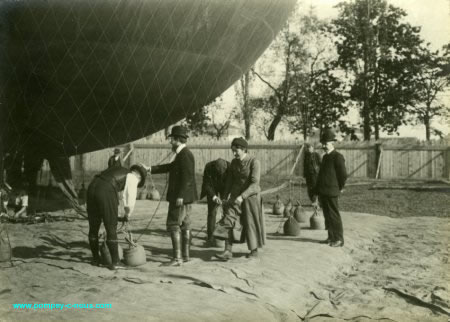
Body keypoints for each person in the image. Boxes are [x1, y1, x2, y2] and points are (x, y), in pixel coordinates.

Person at [146, 125, 198, 266]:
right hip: (187, 197)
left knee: (174, 224)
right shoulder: (182, 154)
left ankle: (176, 259)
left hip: (180, 197)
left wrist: (180, 195)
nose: (170, 142)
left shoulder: (185, 155)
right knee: (185, 224)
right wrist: (150, 169)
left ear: (177, 140)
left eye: (172, 140)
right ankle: (185, 256)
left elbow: (187, 178)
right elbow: (169, 167)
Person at [87, 163, 147, 269]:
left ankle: (95, 259)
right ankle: (116, 262)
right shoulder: (133, 177)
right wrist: (127, 214)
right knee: (111, 227)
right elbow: (129, 199)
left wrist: (117, 214)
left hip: (92, 186)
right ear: (139, 177)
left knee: (93, 226)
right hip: (105, 190)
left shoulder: (119, 170)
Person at [214, 137, 265, 261]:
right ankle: (227, 251)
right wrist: (225, 197)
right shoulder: (234, 163)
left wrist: (242, 196)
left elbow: (255, 184)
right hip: (236, 197)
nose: (234, 153)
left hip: (251, 197)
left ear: (244, 149)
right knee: (228, 219)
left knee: (250, 222)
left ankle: (254, 250)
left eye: (236, 150)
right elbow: (230, 182)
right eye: (233, 150)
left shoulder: (254, 162)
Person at [315, 128, 347, 247]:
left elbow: (343, 175)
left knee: (334, 215)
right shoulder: (325, 157)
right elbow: (322, 175)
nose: (324, 145)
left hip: (332, 191)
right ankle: (331, 237)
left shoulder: (337, 157)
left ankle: (339, 239)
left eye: (326, 143)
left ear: (332, 143)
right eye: (323, 143)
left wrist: (339, 187)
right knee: (327, 215)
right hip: (324, 191)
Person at [200, 158, 230, 246]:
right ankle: (210, 237)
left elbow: (230, 183)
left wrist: (225, 197)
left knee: (226, 211)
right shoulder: (209, 167)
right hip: (212, 188)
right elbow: (207, 184)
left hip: (225, 187)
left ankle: (225, 235)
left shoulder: (230, 167)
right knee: (212, 212)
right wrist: (214, 197)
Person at [303, 143, 321, 207]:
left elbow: (320, 164)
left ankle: (317, 201)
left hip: (315, 174)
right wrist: (304, 174)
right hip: (308, 175)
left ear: (313, 148)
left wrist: (319, 172)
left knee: (314, 187)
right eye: (308, 148)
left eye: (310, 148)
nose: (309, 149)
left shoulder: (316, 155)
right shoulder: (306, 155)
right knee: (309, 188)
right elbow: (304, 166)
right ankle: (313, 201)